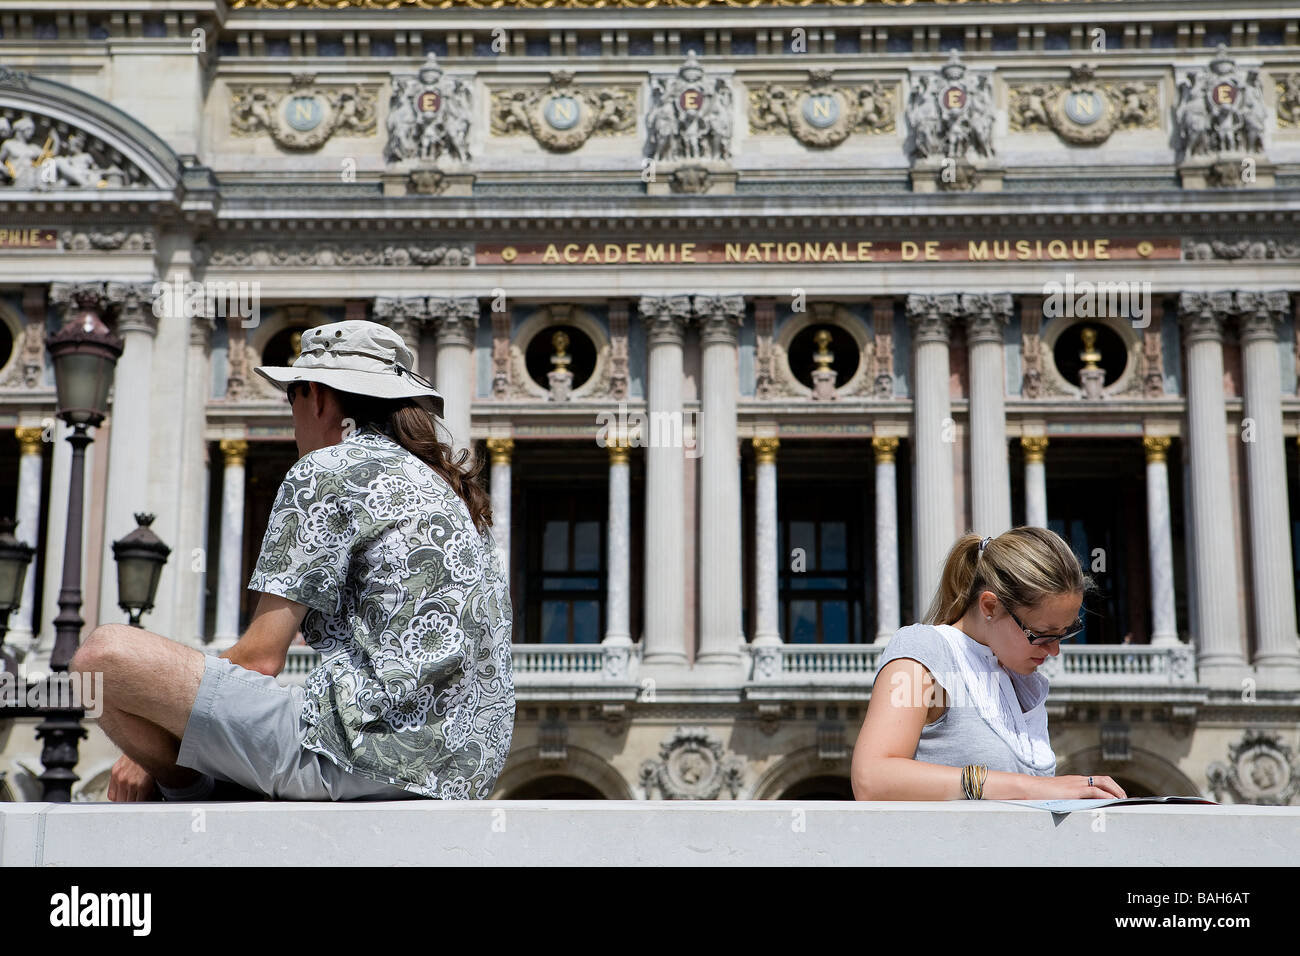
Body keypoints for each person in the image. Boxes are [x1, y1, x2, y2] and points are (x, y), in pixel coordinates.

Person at [71, 319, 514, 801]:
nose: (293, 421)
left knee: (101, 658)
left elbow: (262, 658)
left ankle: (195, 793)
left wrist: (149, 746)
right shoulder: (447, 489)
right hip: (463, 769)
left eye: (292, 399)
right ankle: (216, 785)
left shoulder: (326, 468)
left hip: (361, 754)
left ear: (317, 396)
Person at [851, 527, 1126, 801]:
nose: (1054, 650)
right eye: (1042, 634)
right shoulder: (926, 651)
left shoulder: (1020, 678)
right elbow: (872, 777)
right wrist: (1034, 788)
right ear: (990, 607)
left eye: (1066, 632)